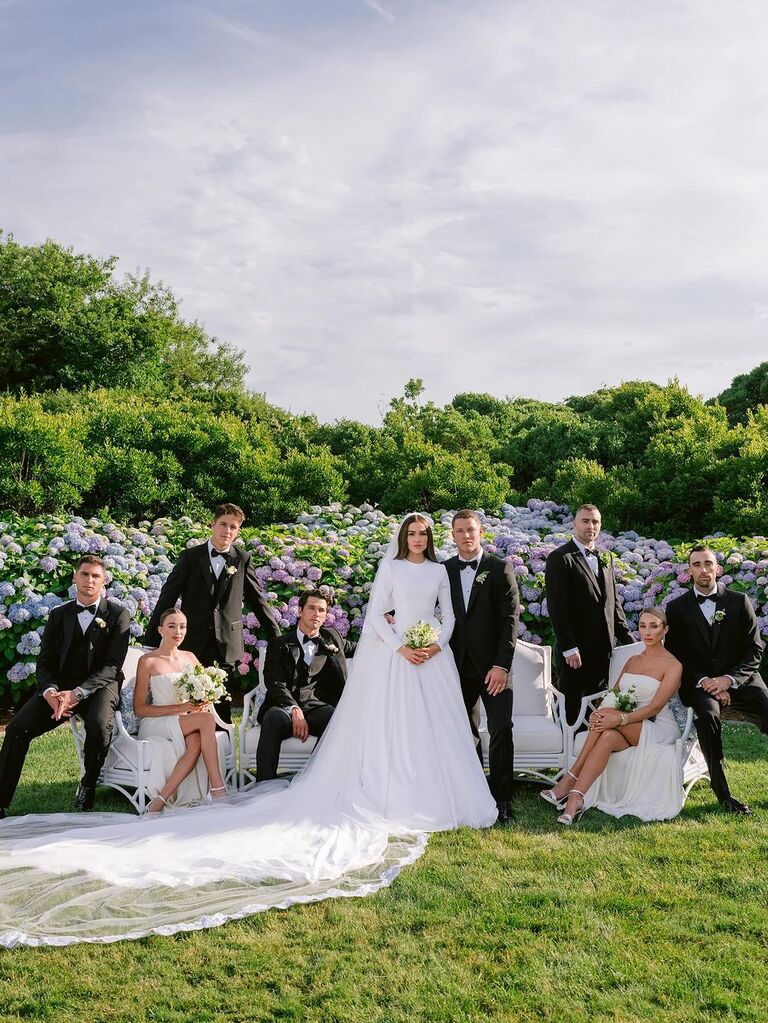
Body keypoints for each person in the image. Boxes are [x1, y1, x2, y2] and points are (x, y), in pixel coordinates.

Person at [0, 513, 497, 948]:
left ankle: (209, 789)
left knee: (426, 729)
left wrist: (429, 642)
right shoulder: (187, 577)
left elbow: (444, 616)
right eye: (411, 532)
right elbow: (374, 615)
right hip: (378, 655)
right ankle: (190, 787)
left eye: (422, 533)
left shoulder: (437, 570)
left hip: (426, 657)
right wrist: (397, 646)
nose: (416, 538)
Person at [0, 556, 130, 817]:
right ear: (74, 576)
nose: (89, 580)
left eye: (95, 576)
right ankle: (0, 799)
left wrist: (79, 693)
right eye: (84, 574)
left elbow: (113, 665)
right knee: (16, 729)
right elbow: (45, 661)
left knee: (98, 724)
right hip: (59, 690)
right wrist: (50, 692)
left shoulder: (118, 614)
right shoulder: (58, 615)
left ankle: (88, 785)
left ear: (104, 580)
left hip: (100, 687)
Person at [541, 608, 684, 824]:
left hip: (657, 726)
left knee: (606, 714)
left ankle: (570, 777)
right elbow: (614, 695)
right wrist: (603, 715)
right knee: (606, 735)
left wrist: (618, 718)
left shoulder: (673, 665)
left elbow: (655, 708)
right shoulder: (632, 661)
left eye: (654, 626)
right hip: (625, 724)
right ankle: (575, 799)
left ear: (665, 630)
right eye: (642, 626)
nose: (647, 631)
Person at [143, 502, 281, 722]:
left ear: (238, 531)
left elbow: (258, 601)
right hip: (193, 642)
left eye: (233, 527)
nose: (227, 531)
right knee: (190, 704)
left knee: (221, 704)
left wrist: (278, 639)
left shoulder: (242, 559)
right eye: (223, 524)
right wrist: (151, 640)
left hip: (226, 643)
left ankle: (222, 753)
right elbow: (167, 597)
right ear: (213, 524)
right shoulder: (190, 557)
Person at [665, 545, 768, 816]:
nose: (703, 569)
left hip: (740, 679)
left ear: (718, 568)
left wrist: (729, 680)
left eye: (708, 563)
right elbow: (675, 657)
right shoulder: (676, 608)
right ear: (689, 571)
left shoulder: (739, 600)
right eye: (696, 564)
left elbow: (755, 650)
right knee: (708, 717)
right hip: (700, 685)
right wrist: (706, 682)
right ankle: (724, 795)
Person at [443, 509, 520, 825]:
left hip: (494, 668)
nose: (466, 535)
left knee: (501, 728)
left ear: (481, 532)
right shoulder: (443, 570)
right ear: (453, 535)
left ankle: (502, 799)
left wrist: (502, 665)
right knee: (465, 732)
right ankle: (475, 795)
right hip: (456, 667)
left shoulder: (500, 568)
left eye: (471, 530)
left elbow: (511, 619)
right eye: (460, 531)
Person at [544, 504, 633, 724]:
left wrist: (630, 642)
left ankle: (590, 752)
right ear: (574, 524)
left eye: (595, 521)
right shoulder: (560, 558)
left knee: (599, 707)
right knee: (571, 708)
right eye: (585, 521)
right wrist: (568, 647)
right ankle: (566, 753)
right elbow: (557, 607)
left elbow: (613, 603)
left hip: (604, 650)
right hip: (575, 653)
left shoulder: (606, 556)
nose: (590, 526)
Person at [255, 588, 354, 782]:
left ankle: (312, 782)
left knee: (335, 719)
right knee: (273, 718)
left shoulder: (333, 638)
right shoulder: (279, 643)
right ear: (300, 611)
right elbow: (274, 682)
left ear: (326, 615)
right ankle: (264, 785)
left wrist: (390, 627)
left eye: (321, 610)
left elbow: (365, 647)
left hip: (315, 706)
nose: (316, 614)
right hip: (283, 706)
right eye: (311, 608)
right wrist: (293, 709)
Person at [134, 609, 228, 811]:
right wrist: (182, 707)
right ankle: (218, 788)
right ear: (160, 630)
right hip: (156, 722)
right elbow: (140, 708)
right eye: (171, 626)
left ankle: (159, 801)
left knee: (195, 743)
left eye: (182, 626)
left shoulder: (190, 657)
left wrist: (203, 700)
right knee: (206, 721)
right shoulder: (148, 661)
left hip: (185, 721)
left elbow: (201, 692)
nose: (178, 631)